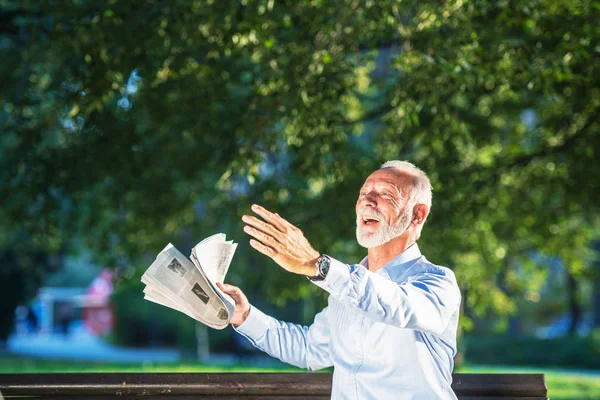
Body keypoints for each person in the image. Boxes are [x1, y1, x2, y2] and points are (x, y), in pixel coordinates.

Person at [217, 160, 461, 399]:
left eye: (386, 193)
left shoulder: (438, 283)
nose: (368, 200)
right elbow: (308, 349)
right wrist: (243, 315)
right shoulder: (344, 291)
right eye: (364, 193)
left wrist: (318, 266)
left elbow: (395, 305)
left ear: (417, 215)